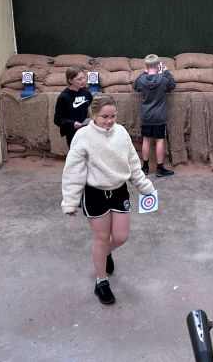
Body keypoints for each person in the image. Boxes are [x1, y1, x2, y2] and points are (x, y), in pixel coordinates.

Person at [61, 95, 155, 305]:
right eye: (104, 116)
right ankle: (101, 282)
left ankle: (104, 254)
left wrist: (144, 186)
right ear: (93, 114)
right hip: (95, 194)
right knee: (101, 239)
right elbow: (74, 171)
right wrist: (70, 200)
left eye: (113, 116)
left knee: (121, 237)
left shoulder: (121, 133)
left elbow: (132, 163)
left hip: (119, 191)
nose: (109, 121)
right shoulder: (83, 136)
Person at [132, 54, 176, 177]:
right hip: (159, 116)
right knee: (160, 140)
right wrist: (166, 73)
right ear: (158, 66)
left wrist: (143, 73)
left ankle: (145, 167)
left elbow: (134, 86)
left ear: (146, 66)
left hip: (146, 116)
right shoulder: (164, 79)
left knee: (146, 140)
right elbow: (172, 86)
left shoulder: (141, 80)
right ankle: (160, 168)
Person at [54, 67, 93, 148]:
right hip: (72, 134)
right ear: (70, 80)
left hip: (88, 131)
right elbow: (57, 119)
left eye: (84, 78)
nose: (83, 81)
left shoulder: (87, 93)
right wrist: (72, 124)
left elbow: (93, 111)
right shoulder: (63, 97)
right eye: (79, 79)